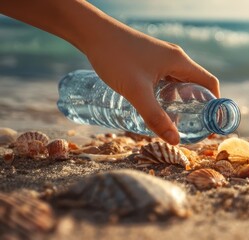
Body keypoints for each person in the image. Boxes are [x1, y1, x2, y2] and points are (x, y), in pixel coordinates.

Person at [0, 0, 220, 145]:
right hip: (81, 94)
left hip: (81, 104)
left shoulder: (199, 127)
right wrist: (101, 36)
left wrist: (100, 35)